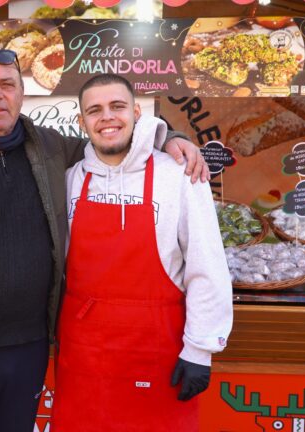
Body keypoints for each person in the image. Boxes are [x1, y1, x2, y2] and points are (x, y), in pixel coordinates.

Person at [0, 50, 208, 432]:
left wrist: (169, 137)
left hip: (30, 349)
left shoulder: (52, 149)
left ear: (22, 92)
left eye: (7, 84)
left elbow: (112, 136)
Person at [51, 74, 233, 432]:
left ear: (136, 112)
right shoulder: (72, 178)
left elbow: (206, 266)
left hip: (155, 352)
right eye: (95, 110)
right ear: (81, 122)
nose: (107, 117)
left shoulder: (178, 175)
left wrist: (200, 350)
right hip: (83, 354)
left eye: (117, 107)